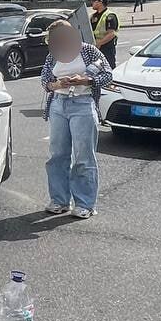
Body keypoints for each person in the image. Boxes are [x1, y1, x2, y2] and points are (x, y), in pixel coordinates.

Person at [40, 20, 112, 219]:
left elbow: (107, 74)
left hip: (82, 102)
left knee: (83, 156)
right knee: (57, 155)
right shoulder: (53, 55)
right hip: (58, 104)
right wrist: (57, 84)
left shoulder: (88, 51)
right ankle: (59, 200)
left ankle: (85, 204)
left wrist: (85, 80)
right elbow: (45, 80)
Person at [89, 0, 119, 68]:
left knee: (108, 67)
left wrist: (99, 43)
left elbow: (111, 34)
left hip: (106, 48)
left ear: (100, 2)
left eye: (94, 1)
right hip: (95, 47)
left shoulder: (110, 16)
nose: (92, 3)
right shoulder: (93, 16)